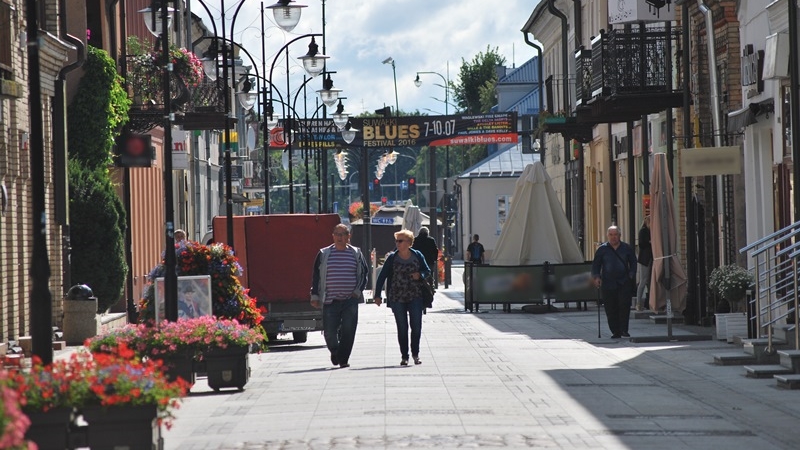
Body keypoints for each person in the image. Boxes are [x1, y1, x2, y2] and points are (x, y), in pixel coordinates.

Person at [310, 224, 369, 369]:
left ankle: (343, 359)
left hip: (350, 300)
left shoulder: (356, 253)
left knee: (348, 331)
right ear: (333, 236)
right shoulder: (324, 253)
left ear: (349, 236)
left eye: (343, 234)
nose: (339, 237)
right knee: (329, 333)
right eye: (337, 234)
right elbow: (316, 275)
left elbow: (364, 273)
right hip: (330, 300)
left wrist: (357, 291)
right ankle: (335, 351)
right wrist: (315, 295)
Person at [373, 229, 431, 366]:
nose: (397, 243)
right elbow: (382, 276)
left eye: (400, 241)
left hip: (415, 295)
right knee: (402, 327)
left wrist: (420, 275)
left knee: (416, 326)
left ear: (409, 242)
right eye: (396, 241)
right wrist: (377, 295)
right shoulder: (392, 258)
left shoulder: (417, 255)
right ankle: (404, 356)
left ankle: (416, 354)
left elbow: (427, 270)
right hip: (397, 296)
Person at [592, 225, 638, 338]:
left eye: (615, 234)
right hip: (608, 283)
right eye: (611, 235)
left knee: (624, 306)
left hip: (624, 282)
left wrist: (631, 275)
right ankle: (615, 331)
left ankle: (624, 330)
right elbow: (596, 265)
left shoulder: (626, 248)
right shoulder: (602, 249)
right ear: (607, 236)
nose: (613, 237)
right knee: (610, 307)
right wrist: (596, 277)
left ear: (620, 235)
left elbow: (633, 262)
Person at [636, 216, 653, 311]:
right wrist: (649, 242)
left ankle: (649, 302)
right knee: (643, 280)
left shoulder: (651, 231)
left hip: (650, 258)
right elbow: (642, 244)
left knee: (650, 281)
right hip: (645, 259)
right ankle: (638, 303)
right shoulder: (643, 231)